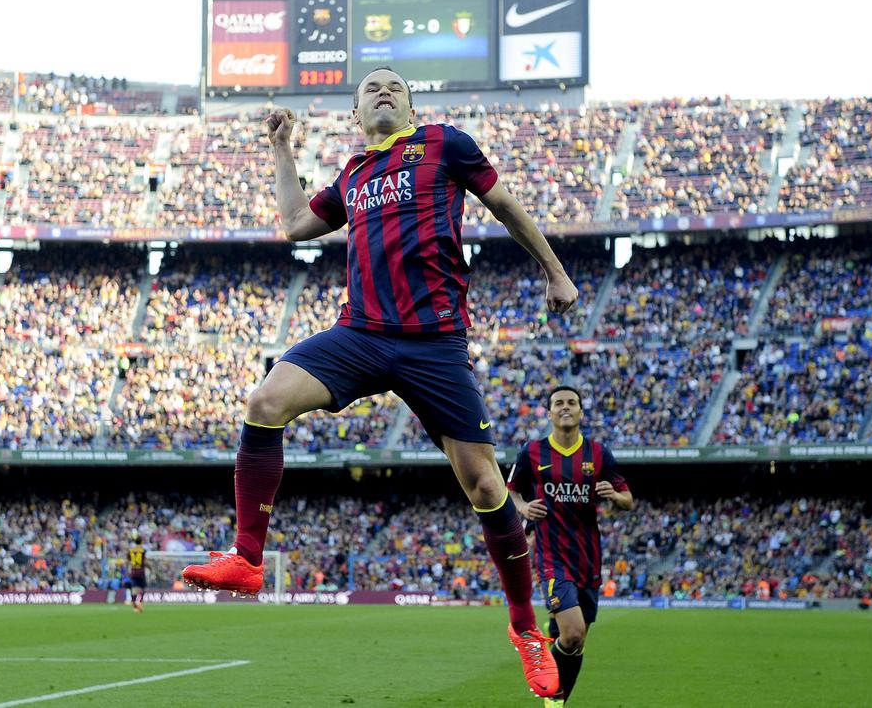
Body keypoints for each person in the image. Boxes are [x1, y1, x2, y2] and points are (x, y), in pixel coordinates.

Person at [182, 65, 579, 698]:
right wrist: (281, 147)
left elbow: (504, 206)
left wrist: (555, 272)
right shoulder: (353, 174)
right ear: (356, 113)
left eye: (395, 86)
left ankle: (526, 629)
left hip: (434, 343)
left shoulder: (444, 144)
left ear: (412, 107)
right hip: (361, 334)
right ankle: (248, 559)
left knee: (485, 485)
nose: (384, 91)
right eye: (372, 88)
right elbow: (294, 224)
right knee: (265, 400)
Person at [507, 385, 632, 707]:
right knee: (573, 633)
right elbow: (510, 489)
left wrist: (614, 496)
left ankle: (556, 700)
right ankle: (551, 694)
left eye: (572, 402)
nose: (565, 407)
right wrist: (523, 507)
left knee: (576, 640)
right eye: (559, 403)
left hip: (588, 558)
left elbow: (628, 499)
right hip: (552, 555)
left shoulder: (599, 453)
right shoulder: (532, 452)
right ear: (549, 413)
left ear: (580, 411)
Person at [126, 535, 148, 613]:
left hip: (133, 571)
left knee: (134, 589)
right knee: (144, 589)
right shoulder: (143, 551)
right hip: (141, 571)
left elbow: (128, 562)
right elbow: (145, 561)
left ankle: (134, 604)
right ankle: (140, 603)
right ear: (141, 542)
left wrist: (128, 570)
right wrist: (150, 567)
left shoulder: (131, 551)